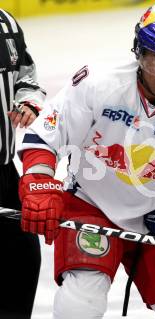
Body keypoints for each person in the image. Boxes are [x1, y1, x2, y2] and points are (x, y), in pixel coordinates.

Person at [18, 5, 155, 319]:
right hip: (92, 205)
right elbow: (48, 134)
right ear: (139, 52)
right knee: (81, 306)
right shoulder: (98, 83)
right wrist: (38, 185)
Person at [0, 9, 46, 319]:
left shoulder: (6, 23)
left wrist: (27, 100)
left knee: (23, 257)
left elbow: (27, 77)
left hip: (3, 170)